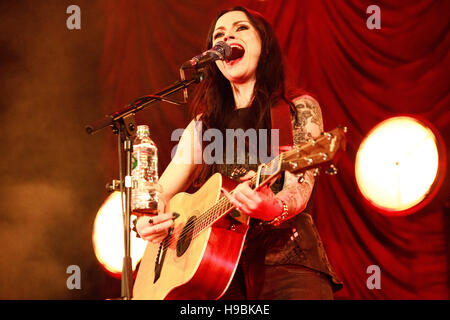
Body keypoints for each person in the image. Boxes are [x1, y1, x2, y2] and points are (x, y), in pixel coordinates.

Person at [135, 6, 342, 299]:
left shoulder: (296, 108)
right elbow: (161, 192)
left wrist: (273, 208)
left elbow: (300, 186)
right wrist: (146, 219)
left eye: (241, 28)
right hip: (216, 275)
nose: (227, 36)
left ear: (264, 43)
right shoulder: (202, 127)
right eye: (218, 35)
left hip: (287, 263)